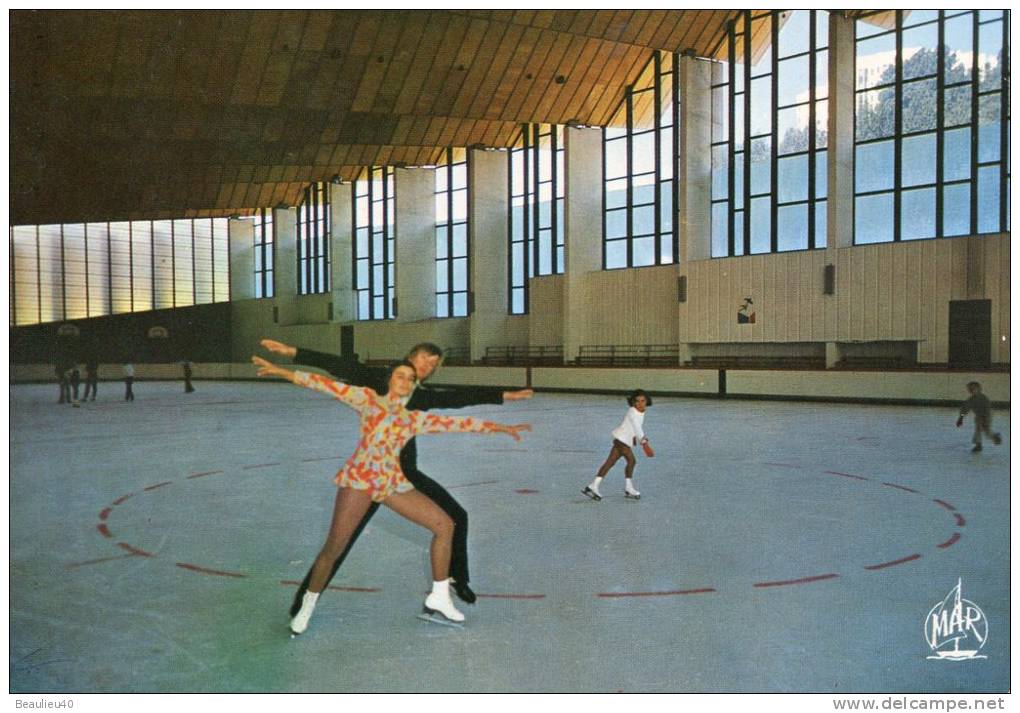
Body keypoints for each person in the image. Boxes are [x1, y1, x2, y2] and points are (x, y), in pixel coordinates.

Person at [252, 355, 530, 634]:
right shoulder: (366, 400)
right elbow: (324, 384)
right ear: (389, 380)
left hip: (391, 483)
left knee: (445, 525)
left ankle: (440, 596)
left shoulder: (412, 419)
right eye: (400, 375)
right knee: (334, 547)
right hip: (360, 481)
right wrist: (283, 372)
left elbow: (456, 423)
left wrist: (500, 428)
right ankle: (308, 604)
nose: (406, 381)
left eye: (411, 379)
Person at [583, 390, 654, 501]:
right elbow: (637, 427)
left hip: (621, 440)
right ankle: (628, 488)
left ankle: (593, 485)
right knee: (631, 461)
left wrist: (635, 438)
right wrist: (645, 444)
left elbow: (633, 427)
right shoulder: (632, 411)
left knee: (610, 463)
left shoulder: (641, 412)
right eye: (637, 401)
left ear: (647, 401)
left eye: (643, 401)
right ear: (633, 402)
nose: (640, 403)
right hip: (622, 441)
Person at [956, 381, 1002, 453]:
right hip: (979, 416)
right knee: (978, 430)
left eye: (973, 388)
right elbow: (965, 409)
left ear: (979, 389)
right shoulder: (970, 399)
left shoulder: (984, 398)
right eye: (970, 389)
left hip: (987, 415)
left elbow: (987, 409)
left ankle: (994, 437)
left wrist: (984, 419)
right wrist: (960, 418)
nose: (972, 390)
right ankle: (978, 445)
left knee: (987, 431)